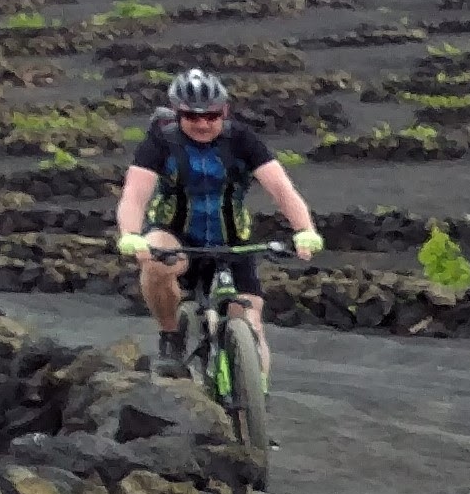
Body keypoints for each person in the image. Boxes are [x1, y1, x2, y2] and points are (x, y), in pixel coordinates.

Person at [113, 68, 320, 373]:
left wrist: (304, 230)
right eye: (192, 116)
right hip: (176, 234)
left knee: (250, 322)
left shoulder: (241, 139)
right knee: (156, 263)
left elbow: (280, 188)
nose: (202, 124)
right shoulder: (160, 141)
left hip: (231, 241)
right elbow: (134, 194)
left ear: (224, 111)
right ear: (177, 113)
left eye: (211, 116)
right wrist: (130, 234)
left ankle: (253, 400)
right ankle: (170, 336)